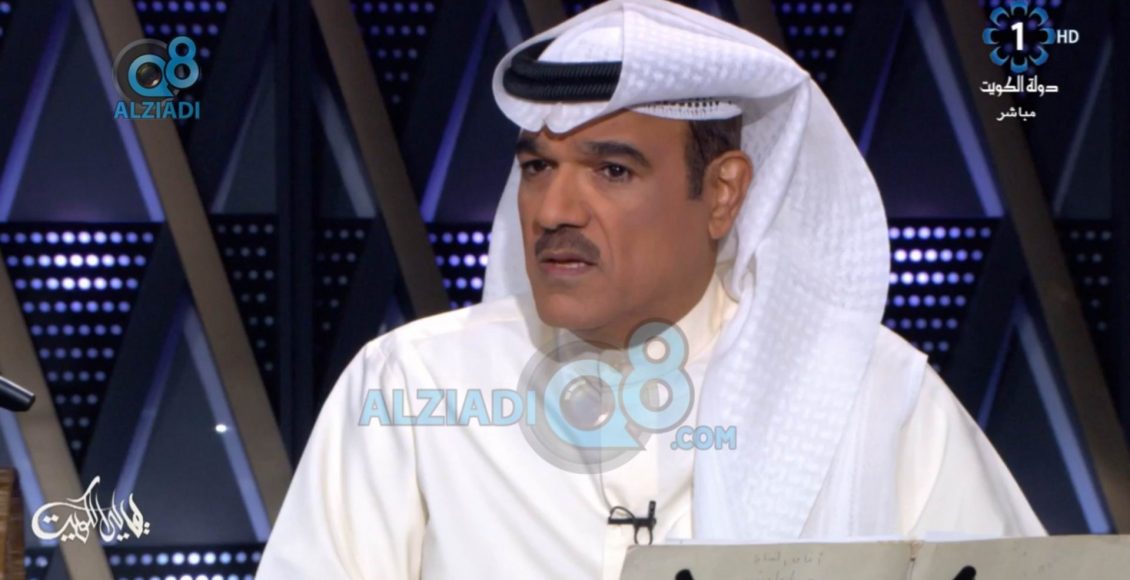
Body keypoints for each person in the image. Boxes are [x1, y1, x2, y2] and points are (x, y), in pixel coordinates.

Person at [257, 1, 1043, 578]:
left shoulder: (872, 393)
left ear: (723, 193)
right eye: (537, 168)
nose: (554, 212)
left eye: (612, 170)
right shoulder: (412, 385)